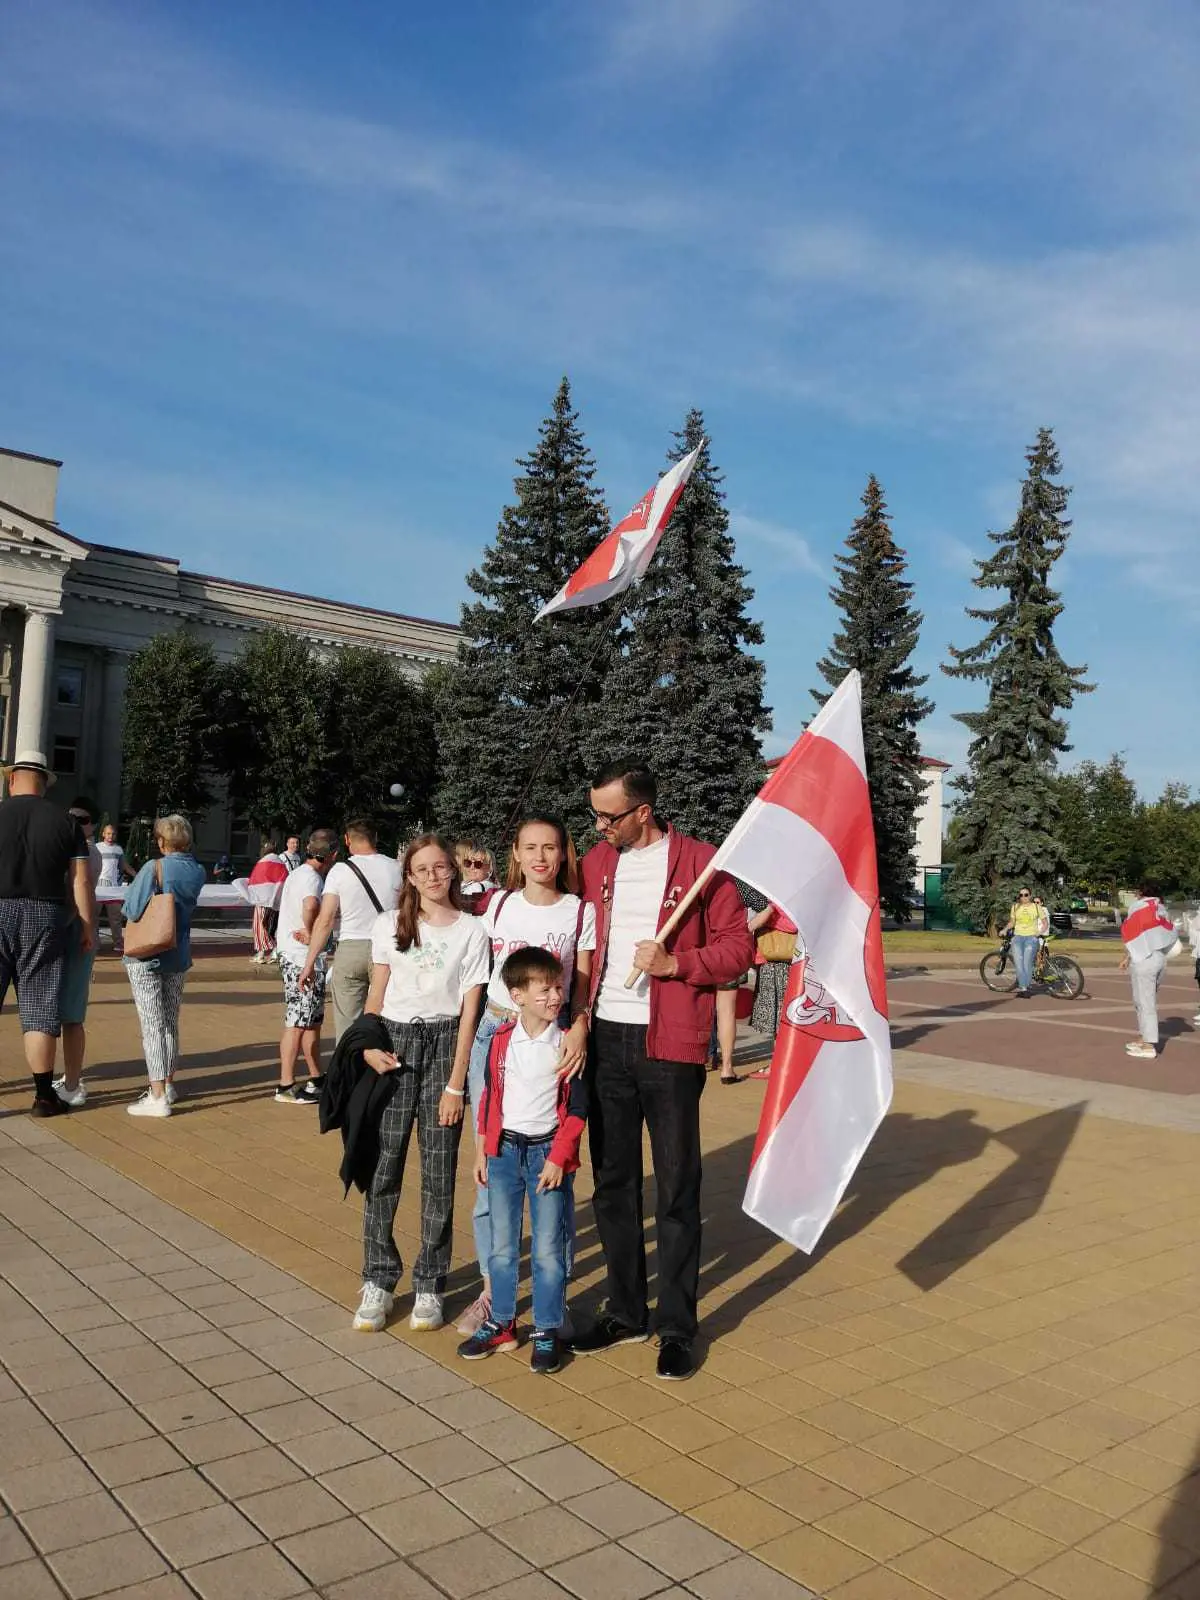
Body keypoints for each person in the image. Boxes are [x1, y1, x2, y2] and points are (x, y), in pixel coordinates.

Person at [570, 760, 754, 1381]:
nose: (599, 826)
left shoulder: (702, 863)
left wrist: (678, 965)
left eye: (609, 815)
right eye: (595, 813)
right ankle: (625, 1310)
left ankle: (676, 1325)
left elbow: (739, 947)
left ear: (642, 811)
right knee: (614, 1182)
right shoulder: (596, 865)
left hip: (669, 1044)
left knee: (677, 1187)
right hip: (604, 1038)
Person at [456, 813, 596, 1337]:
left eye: (550, 848)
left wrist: (579, 1025)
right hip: (496, 1035)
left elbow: (581, 982)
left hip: (553, 1041)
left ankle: (550, 1299)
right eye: (529, 847)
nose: (540, 857)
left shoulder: (580, 911)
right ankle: (495, 1297)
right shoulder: (497, 905)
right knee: (492, 1166)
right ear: (513, 854)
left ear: (563, 854)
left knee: (550, 1169)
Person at [351, 834, 489, 1335]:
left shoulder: (473, 930)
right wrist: (366, 1043)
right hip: (393, 1045)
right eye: (422, 869)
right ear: (408, 877)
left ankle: (430, 1281)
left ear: (453, 871)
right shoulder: (390, 924)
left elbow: (471, 1007)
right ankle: (379, 1279)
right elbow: (378, 989)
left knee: (438, 1172)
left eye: (441, 867)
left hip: (445, 1044)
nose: (433, 876)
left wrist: (457, 1082)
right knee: (382, 1167)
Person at [459, 948, 588, 1375]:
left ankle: (548, 1327)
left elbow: (577, 1109)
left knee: (549, 1248)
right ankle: (501, 1321)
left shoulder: (567, 1044)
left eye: (558, 988)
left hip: (546, 1155)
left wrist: (559, 1157)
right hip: (502, 1155)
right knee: (502, 1246)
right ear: (516, 995)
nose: (555, 996)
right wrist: (482, 1150)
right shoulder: (499, 1041)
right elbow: (489, 1102)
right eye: (544, 989)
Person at [0, 751, 94, 1116]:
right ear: (44, 783)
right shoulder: (66, 822)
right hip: (46, 913)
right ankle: (43, 1096)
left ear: (12, 779)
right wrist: (86, 925)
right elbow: (81, 879)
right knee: (39, 1008)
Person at [122, 814, 207, 1117]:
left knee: (151, 1025)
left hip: (147, 955)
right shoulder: (197, 871)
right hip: (179, 952)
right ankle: (168, 1084)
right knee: (170, 1021)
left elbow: (131, 909)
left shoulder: (153, 867)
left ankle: (157, 1096)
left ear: (162, 841)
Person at [298, 819, 402, 1042]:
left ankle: (349, 1069)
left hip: (350, 948)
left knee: (348, 1025)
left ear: (347, 840)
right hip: (387, 948)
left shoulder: (340, 871)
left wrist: (309, 963)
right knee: (387, 1018)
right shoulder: (396, 867)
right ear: (375, 838)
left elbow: (325, 920)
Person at [275, 828, 338, 1103]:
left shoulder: (299, 873)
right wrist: (313, 933)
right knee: (298, 1021)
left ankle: (316, 1077)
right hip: (301, 959)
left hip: (296, 955)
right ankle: (285, 1084)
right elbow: (310, 906)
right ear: (333, 854)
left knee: (311, 1020)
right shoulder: (312, 879)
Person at [53, 802, 104, 1107]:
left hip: (74, 934)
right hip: (78, 933)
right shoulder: (77, 849)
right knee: (66, 1014)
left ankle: (71, 1081)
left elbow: (77, 889)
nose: (74, 823)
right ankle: (69, 1080)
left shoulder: (89, 853)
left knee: (67, 1014)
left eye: (81, 820)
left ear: (91, 826)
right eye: (70, 818)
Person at [1120, 880, 1178, 1060]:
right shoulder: (1160, 909)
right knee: (1141, 1000)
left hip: (1144, 960)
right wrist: (1127, 958)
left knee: (1145, 1002)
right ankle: (1143, 1037)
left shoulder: (1139, 908)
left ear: (1141, 893)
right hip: (1159, 958)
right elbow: (1164, 934)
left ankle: (1149, 1045)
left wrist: (1128, 955)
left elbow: (1132, 933)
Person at [96, 822, 134, 953]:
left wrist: (137, 874)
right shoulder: (96, 848)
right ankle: (95, 943)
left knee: (116, 918)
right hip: (98, 887)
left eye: (112, 834)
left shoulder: (118, 849)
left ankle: (118, 943)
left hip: (113, 888)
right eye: (108, 833)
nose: (110, 836)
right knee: (94, 916)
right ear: (103, 834)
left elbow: (124, 865)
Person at [248, 840, 287, 965]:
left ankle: (268, 950)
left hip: (263, 900)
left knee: (260, 926)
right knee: (271, 927)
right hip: (277, 901)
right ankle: (269, 952)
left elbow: (255, 880)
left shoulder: (263, 862)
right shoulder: (280, 862)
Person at [1001, 887, 1041, 997]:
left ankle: (1026, 987)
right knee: (1019, 964)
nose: (1023, 897)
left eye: (1026, 895)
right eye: (1021, 895)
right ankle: (1023, 988)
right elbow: (1012, 922)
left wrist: (1040, 932)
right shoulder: (1015, 907)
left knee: (1027, 963)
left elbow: (1045, 922)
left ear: (1030, 895)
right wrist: (1005, 929)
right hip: (1018, 938)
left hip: (1031, 938)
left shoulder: (1036, 907)